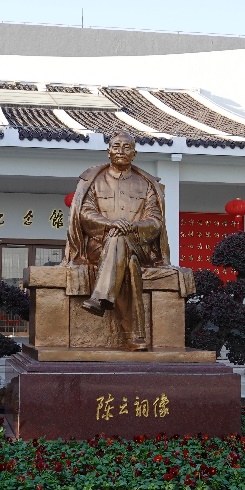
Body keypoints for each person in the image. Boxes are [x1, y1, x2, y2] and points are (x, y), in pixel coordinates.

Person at [62, 131, 172, 346]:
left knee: (121, 241)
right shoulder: (93, 181)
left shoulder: (147, 185)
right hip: (98, 246)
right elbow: (85, 213)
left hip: (138, 245)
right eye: (116, 146)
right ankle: (134, 335)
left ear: (134, 153)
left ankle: (101, 297)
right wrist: (110, 224)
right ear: (108, 151)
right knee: (125, 255)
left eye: (126, 147)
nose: (121, 151)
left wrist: (133, 227)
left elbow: (155, 220)